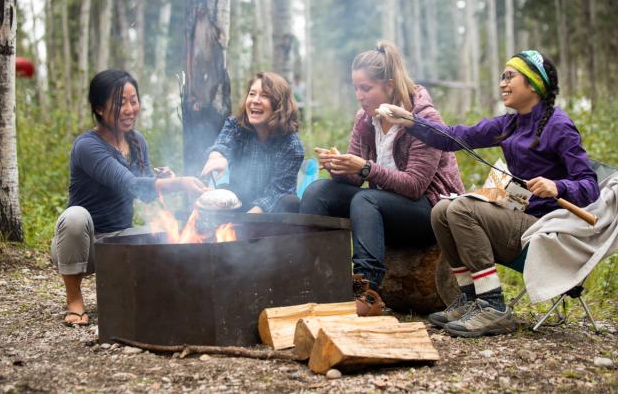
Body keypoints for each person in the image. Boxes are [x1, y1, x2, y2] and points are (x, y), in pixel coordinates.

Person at [380, 50, 600, 337]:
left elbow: (589, 185)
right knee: (442, 210)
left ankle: (493, 305)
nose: (502, 83)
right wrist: (411, 121)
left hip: (548, 230)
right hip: (517, 220)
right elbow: (455, 136)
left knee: (461, 208)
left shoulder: (559, 126)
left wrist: (557, 186)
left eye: (510, 77)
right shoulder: (508, 125)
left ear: (533, 84)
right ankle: (469, 299)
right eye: (502, 77)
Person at [299, 41, 465, 316]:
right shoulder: (364, 120)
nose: (360, 96)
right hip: (384, 206)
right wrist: (340, 167)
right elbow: (356, 177)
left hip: (431, 211)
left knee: (367, 199)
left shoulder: (423, 119)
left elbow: (414, 186)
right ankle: (319, 279)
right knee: (319, 191)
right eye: (356, 88)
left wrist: (365, 168)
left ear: (389, 85)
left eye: (366, 88)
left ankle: (367, 290)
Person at [52, 69, 208, 326]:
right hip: (83, 243)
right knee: (75, 217)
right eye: (119, 103)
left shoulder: (137, 141)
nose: (129, 109)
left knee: (165, 234)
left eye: (133, 101)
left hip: (120, 239)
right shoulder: (87, 146)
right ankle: (74, 301)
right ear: (100, 109)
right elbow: (131, 185)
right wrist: (178, 183)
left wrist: (164, 178)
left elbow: (146, 195)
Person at [200, 72, 304, 213]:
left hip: (273, 215)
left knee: (289, 201)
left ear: (279, 105)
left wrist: (246, 223)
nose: (255, 100)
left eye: (265, 95)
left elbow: (277, 192)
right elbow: (223, 144)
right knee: (218, 194)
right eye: (252, 94)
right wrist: (217, 157)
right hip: (240, 201)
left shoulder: (292, 146)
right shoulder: (236, 126)